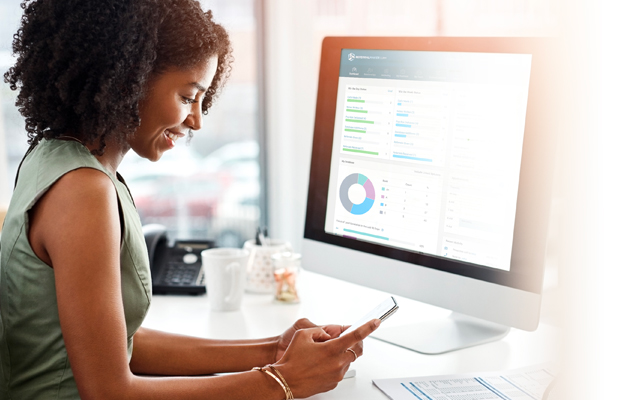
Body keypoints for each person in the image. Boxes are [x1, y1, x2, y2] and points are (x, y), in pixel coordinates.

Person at [0, 0, 380, 399]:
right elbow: (110, 392)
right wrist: (283, 382)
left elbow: (120, 346)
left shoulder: (55, 157)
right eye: (187, 97)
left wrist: (274, 351)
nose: (197, 120)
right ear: (130, 80)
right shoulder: (83, 191)